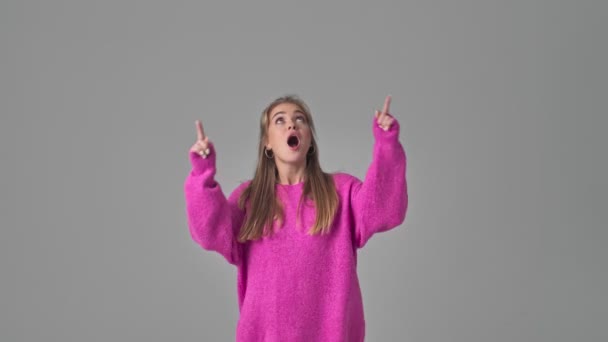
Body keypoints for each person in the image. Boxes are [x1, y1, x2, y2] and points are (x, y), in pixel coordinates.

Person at [184, 94, 408, 341]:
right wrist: (202, 173)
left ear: (310, 140)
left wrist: (386, 144)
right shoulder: (249, 199)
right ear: (267, 143)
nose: (291, 125)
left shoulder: (342, 192)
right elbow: (209, 230)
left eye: (299, 119)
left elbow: (386, 207)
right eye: (279, 120)